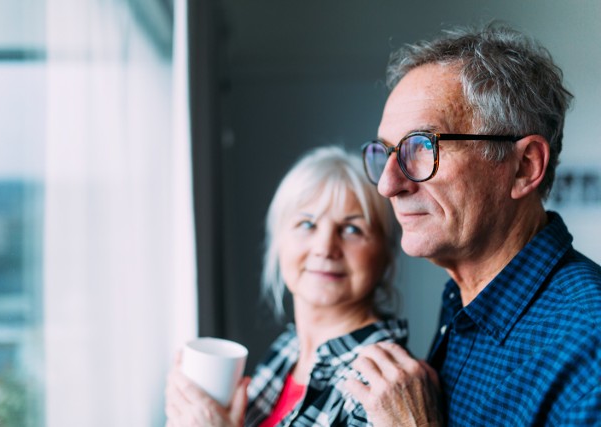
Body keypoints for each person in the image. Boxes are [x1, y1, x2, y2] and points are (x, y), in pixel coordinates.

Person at [345, 22, 601, 426]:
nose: (388, 185)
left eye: (422, 147)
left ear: (524, 166)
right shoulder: (462, 301)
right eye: (387, 152)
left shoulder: (590, 349)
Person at [165, 146, 408, 426]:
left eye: (352, 229)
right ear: (278, 242)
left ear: (387, 254)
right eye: (307, 224)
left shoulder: (384, 385)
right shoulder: (288, 349)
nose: (325, 248)